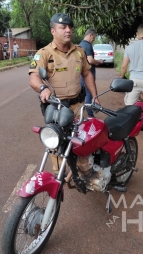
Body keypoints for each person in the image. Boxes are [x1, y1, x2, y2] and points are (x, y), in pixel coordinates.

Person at [29, 13, 99, 177]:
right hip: (56, 108)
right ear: (53, 31)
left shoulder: (79, 52)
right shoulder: (44, 53)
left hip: (77, 106)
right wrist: (42, 89)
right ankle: (59, 174)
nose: (68, 30)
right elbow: (34, 77)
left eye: (70, 27)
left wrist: (94, 96)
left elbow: (87, 74)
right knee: (56, 141)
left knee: (82, 139)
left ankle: (84, 170)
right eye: (63, 27)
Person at [79, 28, 104, 117]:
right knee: (89, 94)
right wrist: (99, 62)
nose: (93, 39)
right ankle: (90, 116)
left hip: (81, 74)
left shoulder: (80, 45)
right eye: (94, 37)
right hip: (88, 74)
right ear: (90, 35)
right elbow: (90, 60)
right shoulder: (88, 45)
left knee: (84, 94)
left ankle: (83, 113)